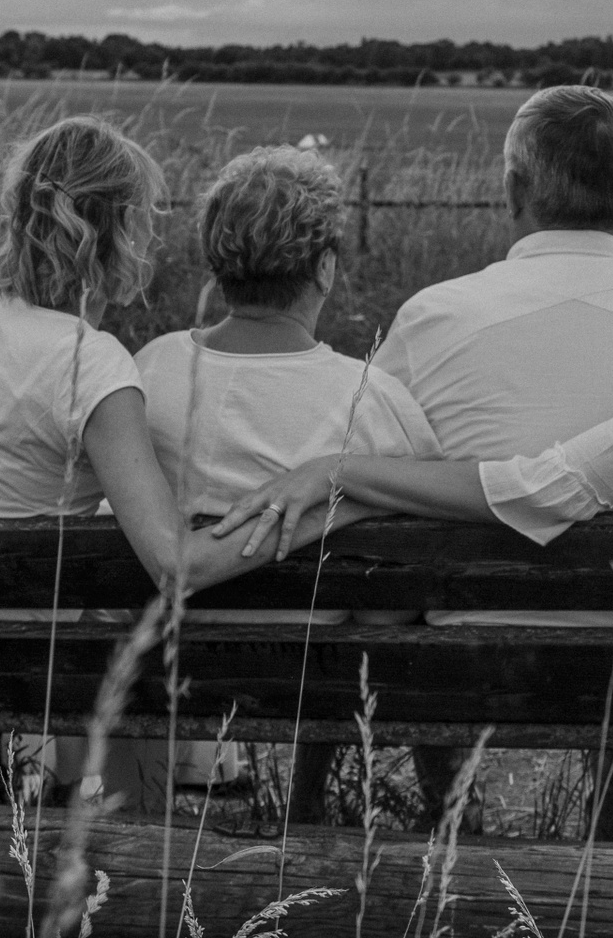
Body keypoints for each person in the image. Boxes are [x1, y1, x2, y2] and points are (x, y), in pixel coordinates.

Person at [0, 116, 378, 800]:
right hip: (3, 653)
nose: (151, 238)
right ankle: (157, 799)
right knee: (140, 627)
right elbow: (175, 566)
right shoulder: (96, 367)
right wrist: (335, 504)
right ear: (115, 230)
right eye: (145, 219)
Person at [366, 84, 613, 839]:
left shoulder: (433, 315)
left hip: (464, 642)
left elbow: (385, 464)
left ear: (513, 188)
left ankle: (452, 822)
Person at [134, 145, 439, 820]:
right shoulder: (373, 399)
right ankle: (313, 803)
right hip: (317, 675)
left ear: (216, 262)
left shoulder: (149, 371)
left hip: (166, 666)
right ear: (324, 268)